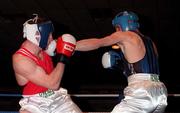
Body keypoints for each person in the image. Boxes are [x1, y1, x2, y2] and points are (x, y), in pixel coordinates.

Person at [75, 11, 168, 113]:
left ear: (119, 26)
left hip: (141, 90)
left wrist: (71, 46)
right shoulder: (150, 42)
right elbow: (144, 67)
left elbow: (98, 42)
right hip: (160, 91)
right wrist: (122, 66)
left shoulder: (125, 35)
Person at [12, 14, 82, 113]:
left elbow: (77, 45)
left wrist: (106, 40)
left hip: (58, 98)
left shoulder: (46, 47)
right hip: (34, 102)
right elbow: (53, 84)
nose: (51, 38)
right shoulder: (21, 60)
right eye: (48, 34)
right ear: (38, 35)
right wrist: (63, 57)